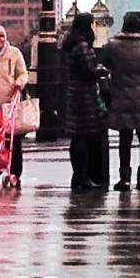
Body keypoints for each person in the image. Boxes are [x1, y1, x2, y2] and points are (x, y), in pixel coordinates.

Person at [102, 12, 140, 189]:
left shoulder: (113, 45)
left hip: (122, 95)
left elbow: (106, 66)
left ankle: (125, 178)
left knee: (124, 139)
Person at [59, 17, 110, 192]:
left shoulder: (71, 44)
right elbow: (89, 71)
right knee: (85, 135)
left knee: (77, 137)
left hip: (74, 93)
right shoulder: (82, 46)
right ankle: (83, 176)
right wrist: (101, 70)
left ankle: (78, 176)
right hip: (85, 96)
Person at [0, 23, 29, 190]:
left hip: (9, 102)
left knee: (13, 138)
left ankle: (15, 171)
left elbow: (23, 73)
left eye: (1, 36)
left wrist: (20, 82)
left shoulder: (14, 53)